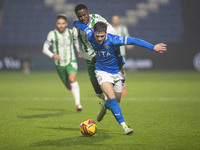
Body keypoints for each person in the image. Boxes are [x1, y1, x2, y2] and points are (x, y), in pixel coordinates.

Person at [73, 21, 167, 135]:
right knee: (111, 98)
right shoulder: (90, 35)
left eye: (102, 36)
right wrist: (74, 22)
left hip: (118, 71)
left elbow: (134, 40)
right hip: (102, 72)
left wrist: (153, 47)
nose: (99, 39)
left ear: (106, 33)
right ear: (94, 33)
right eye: (97, 36)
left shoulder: (114, 40)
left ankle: (105, 105)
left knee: (116, 102)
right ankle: (125, 127)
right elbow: (82, 26)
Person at [72, 4, 117, 102]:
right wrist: (91, 58)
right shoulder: (75, 31)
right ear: (77, 16)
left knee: (108, 84)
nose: (83, 18)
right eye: (80, 16)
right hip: (91, 59)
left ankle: (111, 101)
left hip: (103, 55)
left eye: (84, 14)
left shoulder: (97, 18)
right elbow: (80, 51)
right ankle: (106, 102)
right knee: (98, 92)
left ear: (88, 12)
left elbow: (112, 31)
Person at [43, 14, 82, 111]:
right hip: (59, 64)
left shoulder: (70, 32)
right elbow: (44, 49)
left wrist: (80, 52)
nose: (61, 25)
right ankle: (73, 92)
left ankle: (78, 104)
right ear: (56, 24)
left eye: (63, 23)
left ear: (66, 24)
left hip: (71, 60)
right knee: (69, 86)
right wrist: (53, 55)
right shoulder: (52, 34)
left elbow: (77, 42)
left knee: (72, 79)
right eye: (59, 23)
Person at [112, 15, 134, 95]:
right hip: (112, 53)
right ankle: (113, 86)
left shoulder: (123, 28)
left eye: (116, 19)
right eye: (114, 19)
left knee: (122, 70)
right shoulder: (110, 28)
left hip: (121, 53)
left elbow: (127, 38)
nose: (115, 21)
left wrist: (129, 44)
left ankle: (123, 86)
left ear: (119, 20)